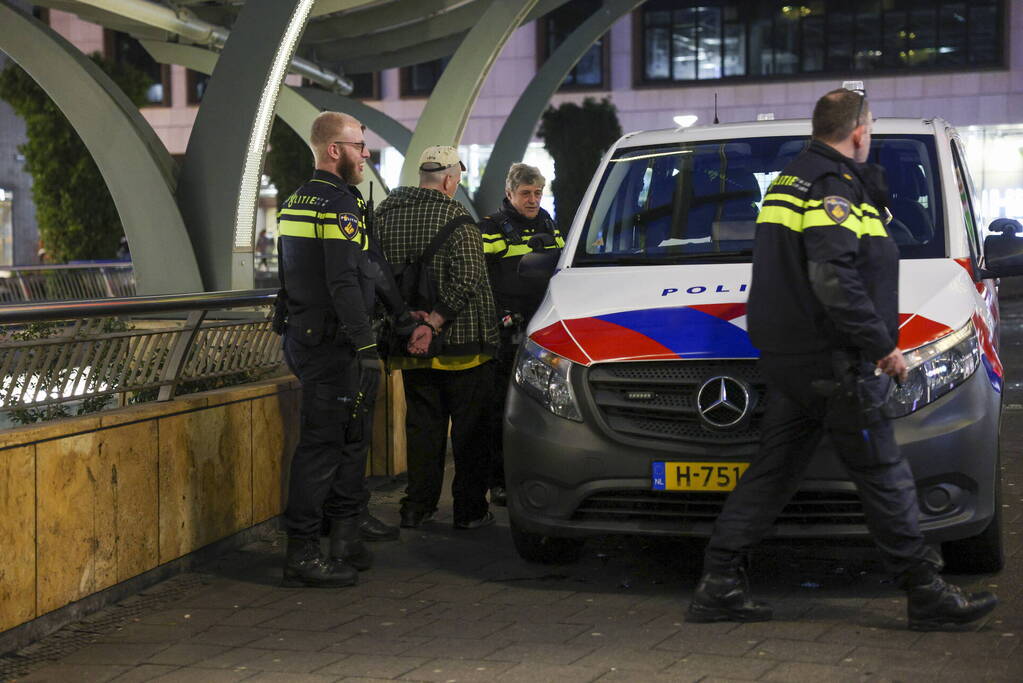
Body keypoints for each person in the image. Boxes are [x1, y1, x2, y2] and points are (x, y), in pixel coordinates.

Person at [686, 89, 998, 631]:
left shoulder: (792, 180)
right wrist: (881, 345)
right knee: (885, 476)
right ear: (858, 132)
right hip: (836, 364)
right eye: (870, 129)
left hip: (793, 362)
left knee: (772, 474)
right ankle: (925, 593)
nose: (869, 137)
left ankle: (719, 583)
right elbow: (833, 276)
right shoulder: (832, 189)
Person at [276, 111, 431, 588]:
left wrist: (402, 319)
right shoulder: (338, 206)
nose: (366, 154)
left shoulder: (298, 200)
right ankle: (302, 552)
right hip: (333, 345)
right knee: (323, 446)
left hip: (310, 337)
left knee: (348, 438)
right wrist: (366, 346)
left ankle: (345, 537)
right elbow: (344, 280)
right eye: (359, 146)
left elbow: (366, 270)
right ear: (333, 151)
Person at [376, 146, 500, 530]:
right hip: (463, 346)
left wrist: (412, 327)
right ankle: (468, 511)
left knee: (423, 428)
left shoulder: (383, 217)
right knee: (469, 432)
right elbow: (468, 278)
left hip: (409, 345)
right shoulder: (457, 217)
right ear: (448, 179)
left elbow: (376, 278)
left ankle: (417, 507)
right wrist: (434, 322)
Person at [478, 163, 564, 506]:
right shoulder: (491, 228)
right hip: (506, 331)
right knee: (501, 408)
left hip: (543, 330)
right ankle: (498, 481)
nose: (532, 199)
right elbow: (480, 279)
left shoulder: (548, 224)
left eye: (538, 193)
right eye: (526, 193)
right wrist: (500, 315)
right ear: (510, 193)